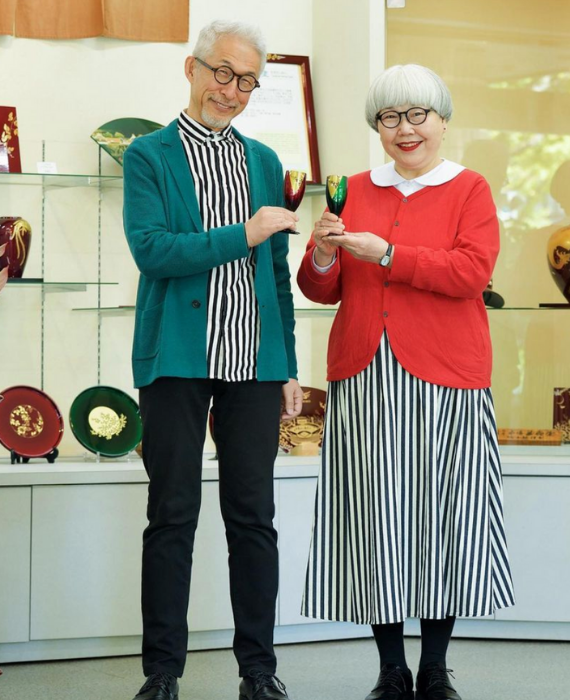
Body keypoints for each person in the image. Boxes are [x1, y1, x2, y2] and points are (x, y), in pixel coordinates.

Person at [298, 64, 515, 700]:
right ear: (378, 128)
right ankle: (391, 668)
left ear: (443, 121)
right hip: (366, 374)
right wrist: (324, 252)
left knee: (448, 519)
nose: (405, 129)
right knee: (377, 520)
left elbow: (471, 273)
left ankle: (435, 667)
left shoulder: (469, 189)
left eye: (418, 114)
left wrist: (389, 254)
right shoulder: (353, 189)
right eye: (390, 118)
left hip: (449, 375)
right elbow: (321, 289)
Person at [122, 20, 303, 700]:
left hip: (255, 363)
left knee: (253, 517)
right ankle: (162, 673)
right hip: (175, 360)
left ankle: (259, 671)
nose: (231, 90)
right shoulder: (147, 155)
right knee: (172, 515)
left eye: (247, 80)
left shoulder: (263, 160)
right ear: (191, 69)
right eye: (222, 73)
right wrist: (244, 232)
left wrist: (286, 364)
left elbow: (277, 273)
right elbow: (154, 251)